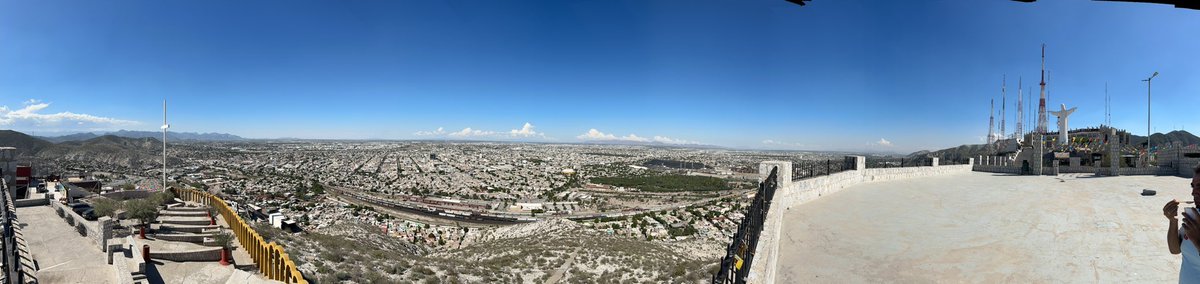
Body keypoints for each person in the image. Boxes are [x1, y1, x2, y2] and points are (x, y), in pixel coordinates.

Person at [1164, 165, 1200, 283]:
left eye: (1199, 186)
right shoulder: (1194, 215)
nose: (1193, 192)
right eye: (1193, 186)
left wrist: (1198, 240)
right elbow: (1175, 250)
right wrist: (1173, 221)